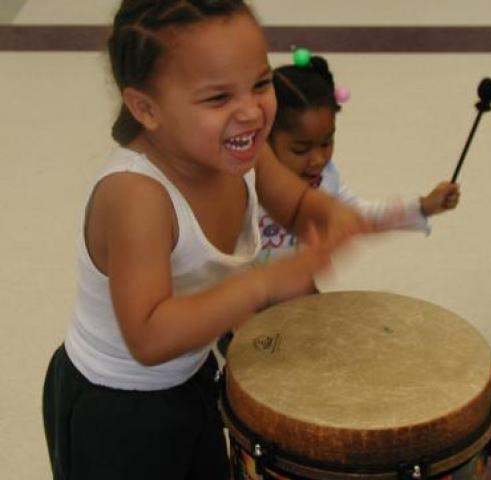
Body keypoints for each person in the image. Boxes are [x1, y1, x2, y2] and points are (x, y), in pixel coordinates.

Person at [42, 2, 370, 479]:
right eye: (218, 98)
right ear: (146, 108)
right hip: (117, 411)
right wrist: (263, 285)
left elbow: (296, 204)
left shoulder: (239, 154)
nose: (252, 111)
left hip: (191, 375)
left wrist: (330, 215)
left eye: (260, 84)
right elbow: (150, 335)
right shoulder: (137, 197)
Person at [256, 52, 461, 264]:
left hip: (294, 287)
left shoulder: (327, 178)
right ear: (264, 138)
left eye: (326, 143)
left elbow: (358, 215)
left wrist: (423, 206)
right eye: (300, 149)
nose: (318, 159)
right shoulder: (243, 187)